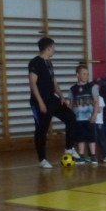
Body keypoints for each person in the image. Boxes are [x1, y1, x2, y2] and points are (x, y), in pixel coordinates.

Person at [28, 37, 78, 168]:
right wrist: (40, 103)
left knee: (70, 117)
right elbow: (33, 84)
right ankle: (42, 159)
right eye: (53, 47)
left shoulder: (49, 63)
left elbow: (54, 82)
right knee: (41, 130)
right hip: (39, 102)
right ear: (48, 48)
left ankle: (69, 148)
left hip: (51, 99)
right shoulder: (35, 62)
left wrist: (61, 96)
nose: (54, 50)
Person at [69, 64, 99, 165]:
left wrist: (94, 115)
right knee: (80, 137)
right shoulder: (73, 89)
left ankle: (93, 155)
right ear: (77, 75)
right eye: (84, 74)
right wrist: (70, 116)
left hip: (89, 117)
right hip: (78, 118)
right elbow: (71, 104)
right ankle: (81, 155)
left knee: (91, 137)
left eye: (87, 74)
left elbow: (96, 102)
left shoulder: (92, 87)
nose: (86, 76)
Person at [94, 93, 106, 164]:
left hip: (98, 122)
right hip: (91, 121)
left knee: (101, 139)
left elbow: (99, 109)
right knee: (92, 139)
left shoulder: (100, 98)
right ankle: (91, 155)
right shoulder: (89, 98)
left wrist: (92, 110)